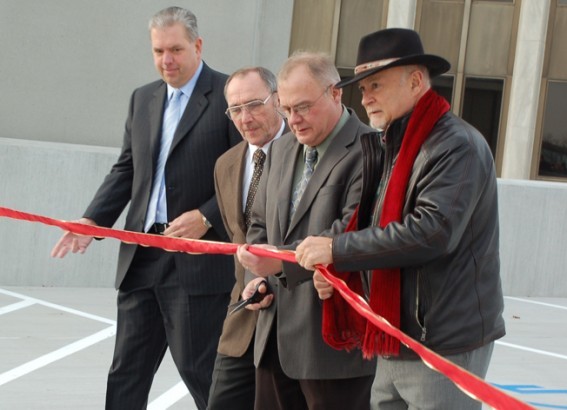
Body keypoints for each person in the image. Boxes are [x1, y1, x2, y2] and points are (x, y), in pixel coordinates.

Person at [295, 28, 506, 410]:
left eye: (375, 83)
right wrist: (337, 266)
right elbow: (370, 225)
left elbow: (431, 232)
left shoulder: (456, 145)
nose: (366, 97)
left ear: (415, 81)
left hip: (442, 339)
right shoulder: (391, 144)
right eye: (361, 88)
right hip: (394, 331)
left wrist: (337, 251)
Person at [50, 7, 241, 409]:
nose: (166, 60)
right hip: (141, 256)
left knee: (200, 371)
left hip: (196, 261)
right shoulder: (143, 98)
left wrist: (207, 216)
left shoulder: (227, 95)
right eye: (158, 51)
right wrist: (91, 220)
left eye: (175, 49)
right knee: (126, 372)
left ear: (197, 45)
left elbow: (246, 174)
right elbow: (126, 170)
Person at [235, 52, 376, 410]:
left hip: (331, 345)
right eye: (285, 110)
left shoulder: (371, 151)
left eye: (303, 108)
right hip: (273, 339)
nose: (293, 121)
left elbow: (350, 231)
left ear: (335, 93)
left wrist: (279, 265)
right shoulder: (281, 149)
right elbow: (260, 223)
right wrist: (259, 270)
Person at [208, 66, 287, 410]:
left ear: (278, 100)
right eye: (235, 109)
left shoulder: (307, 154)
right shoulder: (226, 164)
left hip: (292, 322)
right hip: (242, 318)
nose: (245, 117)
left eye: (254, 105)